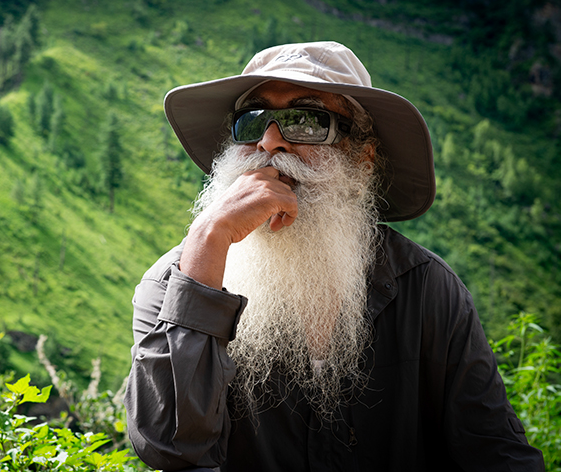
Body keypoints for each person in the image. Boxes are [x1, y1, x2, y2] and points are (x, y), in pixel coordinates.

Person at [124, 41, 545, 471]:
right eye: (252, 121)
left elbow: (497, 453)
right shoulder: (171, 283)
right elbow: (169, 447)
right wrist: (210, 236)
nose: (270, 142)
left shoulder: (426, 288)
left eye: (306, 120)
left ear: (363, 158)